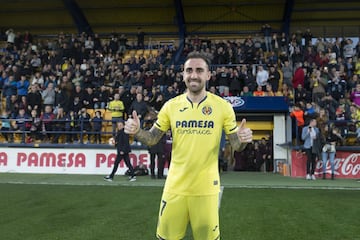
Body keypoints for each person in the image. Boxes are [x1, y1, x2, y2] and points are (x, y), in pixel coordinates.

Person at [124, 52, 253, 240]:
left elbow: (236, 145)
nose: (194, 75)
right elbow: (152, 138)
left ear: (208, 75)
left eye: (199, 70)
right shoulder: (171, 106)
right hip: (175, 186)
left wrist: (242, 139)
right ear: (183, 75)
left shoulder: (222, 106)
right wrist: (136, 131)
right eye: (189, 70)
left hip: (206, 188)